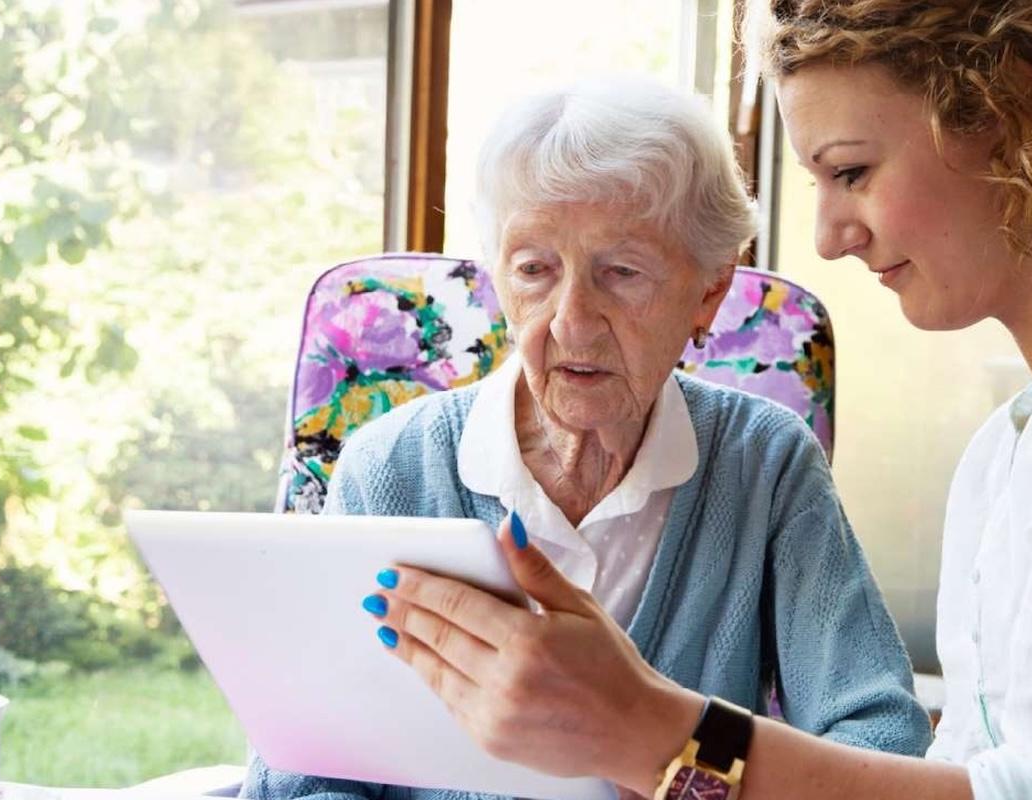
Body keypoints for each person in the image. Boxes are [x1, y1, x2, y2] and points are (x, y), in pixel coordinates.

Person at [363, 1, 1032, 798]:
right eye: (533, 268)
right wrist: (651, 735)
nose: (829, 235)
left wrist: (651, 729)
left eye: (850, 170)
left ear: (1008, 113)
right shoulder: (1010, 452)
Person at [238, 77, 933, 800]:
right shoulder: (390, 469)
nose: (571, 321)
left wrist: (676, 764)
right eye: (534, 270)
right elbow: (302, 775)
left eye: (622, 272)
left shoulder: (765, 463)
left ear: (709, 290)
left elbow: (879, 738)